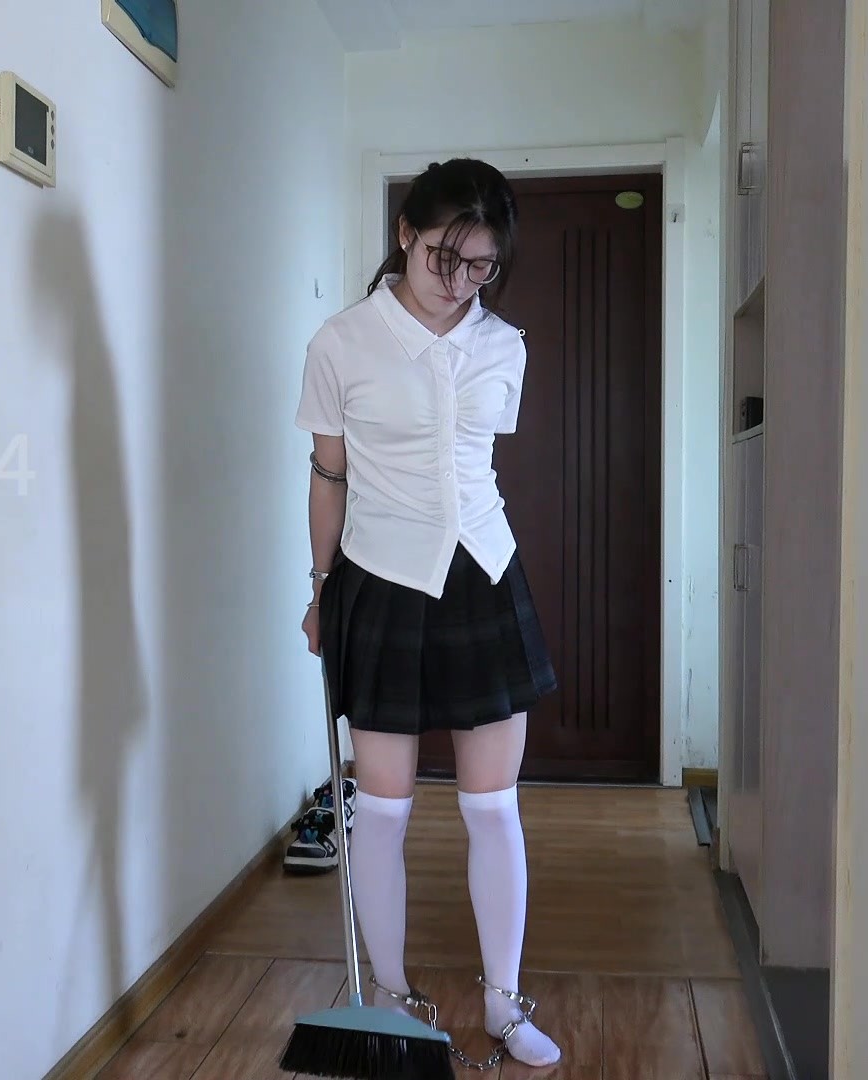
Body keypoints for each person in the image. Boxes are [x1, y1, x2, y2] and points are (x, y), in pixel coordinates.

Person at [294, 158, 562, 1070]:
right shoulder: (341, 344)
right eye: (446, 258)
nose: (460, 282)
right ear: (405, 233)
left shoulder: (504, 345)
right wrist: (320, 589)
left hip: (484, 575)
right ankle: (390, 997)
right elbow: (329, 476)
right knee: (383, 810)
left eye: (481, 265)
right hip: (379, 579)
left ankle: (505, 1005)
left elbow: (475, 464)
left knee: (494, 808)